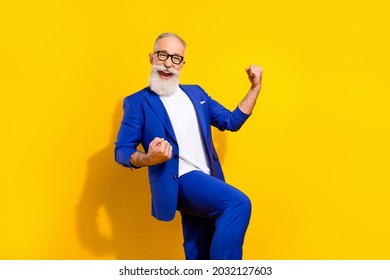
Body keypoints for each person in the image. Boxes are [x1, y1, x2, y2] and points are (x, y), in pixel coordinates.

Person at [115, 32, 263, 260]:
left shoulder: (196, 93)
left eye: (175, 58)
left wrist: (254, 89)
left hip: (208, 179)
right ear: (151, 57)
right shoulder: (137, 102)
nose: (168, 63)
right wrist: (147, 158)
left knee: (198, 253)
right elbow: (122, 150)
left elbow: (230, 122)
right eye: (162, 55)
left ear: (182, 64)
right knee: (238, 203)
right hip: (179, 179)